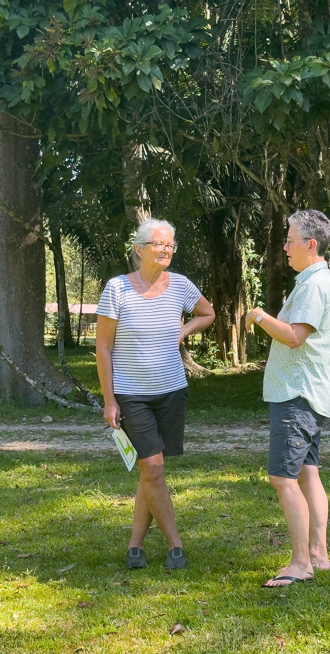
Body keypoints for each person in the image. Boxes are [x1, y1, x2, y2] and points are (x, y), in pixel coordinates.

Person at [96, 218, 215, 570]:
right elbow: (103, 348)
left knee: (152, 472)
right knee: (152, 466)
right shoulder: (117, 289)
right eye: (159, 244)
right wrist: (109, 399)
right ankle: (176, 546)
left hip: (172, 391)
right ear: (139, 250)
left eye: (170, 245)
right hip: (131, 394)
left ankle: (135, 546)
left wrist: (183, 331)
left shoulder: (180, 286)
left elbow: (207, 313)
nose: (166, 250)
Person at [245, 209, 330, 587]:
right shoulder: (313, 280)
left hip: (297, 395)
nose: (284, 247)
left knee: (282, 477)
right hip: (307, 393)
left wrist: (259, 317)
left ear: (310, 244)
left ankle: (300, 563)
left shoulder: (315, 283)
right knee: (307, 475)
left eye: (289, 240)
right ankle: (318, 554)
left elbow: (295, 336)